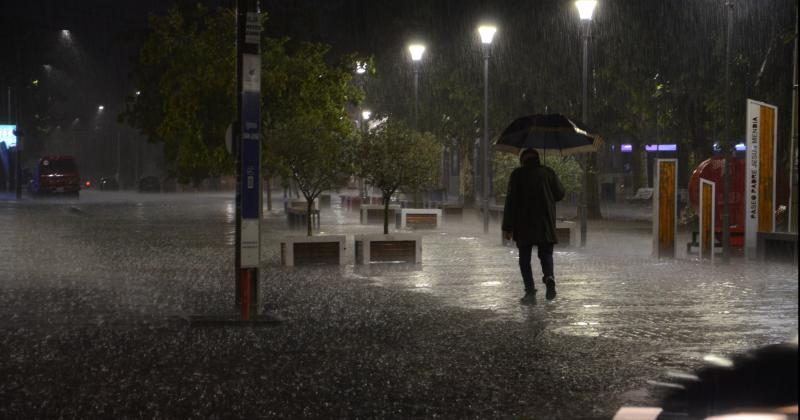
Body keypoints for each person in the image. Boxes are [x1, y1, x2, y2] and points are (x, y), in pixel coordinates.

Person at [502, 149, 565, 301]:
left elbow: (510, 202)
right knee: (546, 254)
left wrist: (507, 227)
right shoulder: (548, 172)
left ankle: (530, 292)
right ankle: (549, 277)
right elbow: (560, 194)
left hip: (524, 224)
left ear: (523, 161)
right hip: (545, 223)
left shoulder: (517, 175)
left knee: (524, 259)